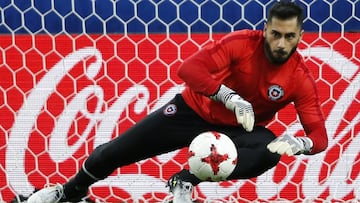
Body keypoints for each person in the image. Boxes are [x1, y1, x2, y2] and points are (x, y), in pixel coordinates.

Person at [27, 1, 328, 203]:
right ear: (265, 29)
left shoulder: (299, 78)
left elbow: (320, 136)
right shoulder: (241, 44)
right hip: (192, 112)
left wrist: (301, 144)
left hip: (238, 132)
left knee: (270, 150)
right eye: (275, 34)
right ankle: (68, 191)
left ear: (300, 35)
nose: (280, 43)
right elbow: (189, 69)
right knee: (112, 154)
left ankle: (184, 182)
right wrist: (230, 97)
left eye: (289, 36)